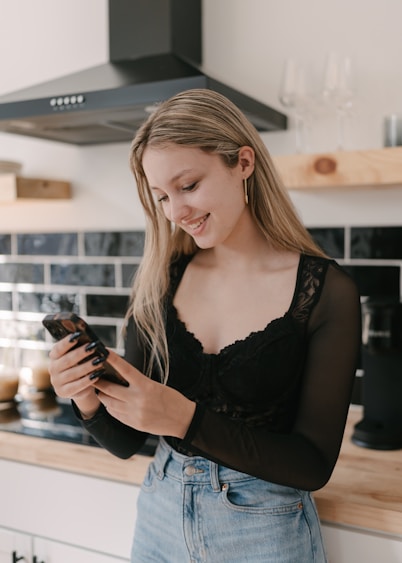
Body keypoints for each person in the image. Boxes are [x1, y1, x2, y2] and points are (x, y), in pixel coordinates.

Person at [48, 88, 361, 562]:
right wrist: (86, 396)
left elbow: (312, 464)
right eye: (162, 197)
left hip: (265, 534)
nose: (176, 212)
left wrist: (183, 419)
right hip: (160, 519)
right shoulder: (160, 281)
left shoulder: (326, 292)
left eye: (188, 185)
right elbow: (127, 442)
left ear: (243, 163)